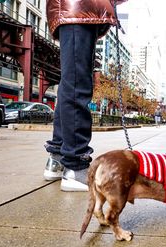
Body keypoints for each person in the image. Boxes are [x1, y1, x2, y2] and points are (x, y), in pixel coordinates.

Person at [43, 0, 127, 192]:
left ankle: (57, 159)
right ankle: (75, 166)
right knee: (76, 85)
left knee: (71, 82)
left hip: (78, 9)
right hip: (78, 7)